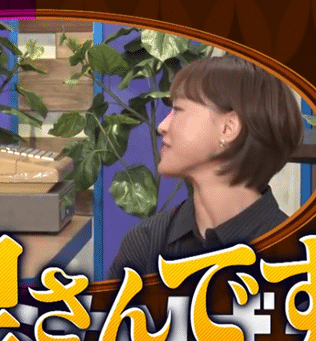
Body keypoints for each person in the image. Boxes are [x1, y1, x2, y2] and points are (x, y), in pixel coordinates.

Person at [106, 54, 303, 280]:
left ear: (228, 128)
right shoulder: (147, 242)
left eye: (178, 110)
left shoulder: (297, 259)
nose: (162, 126)